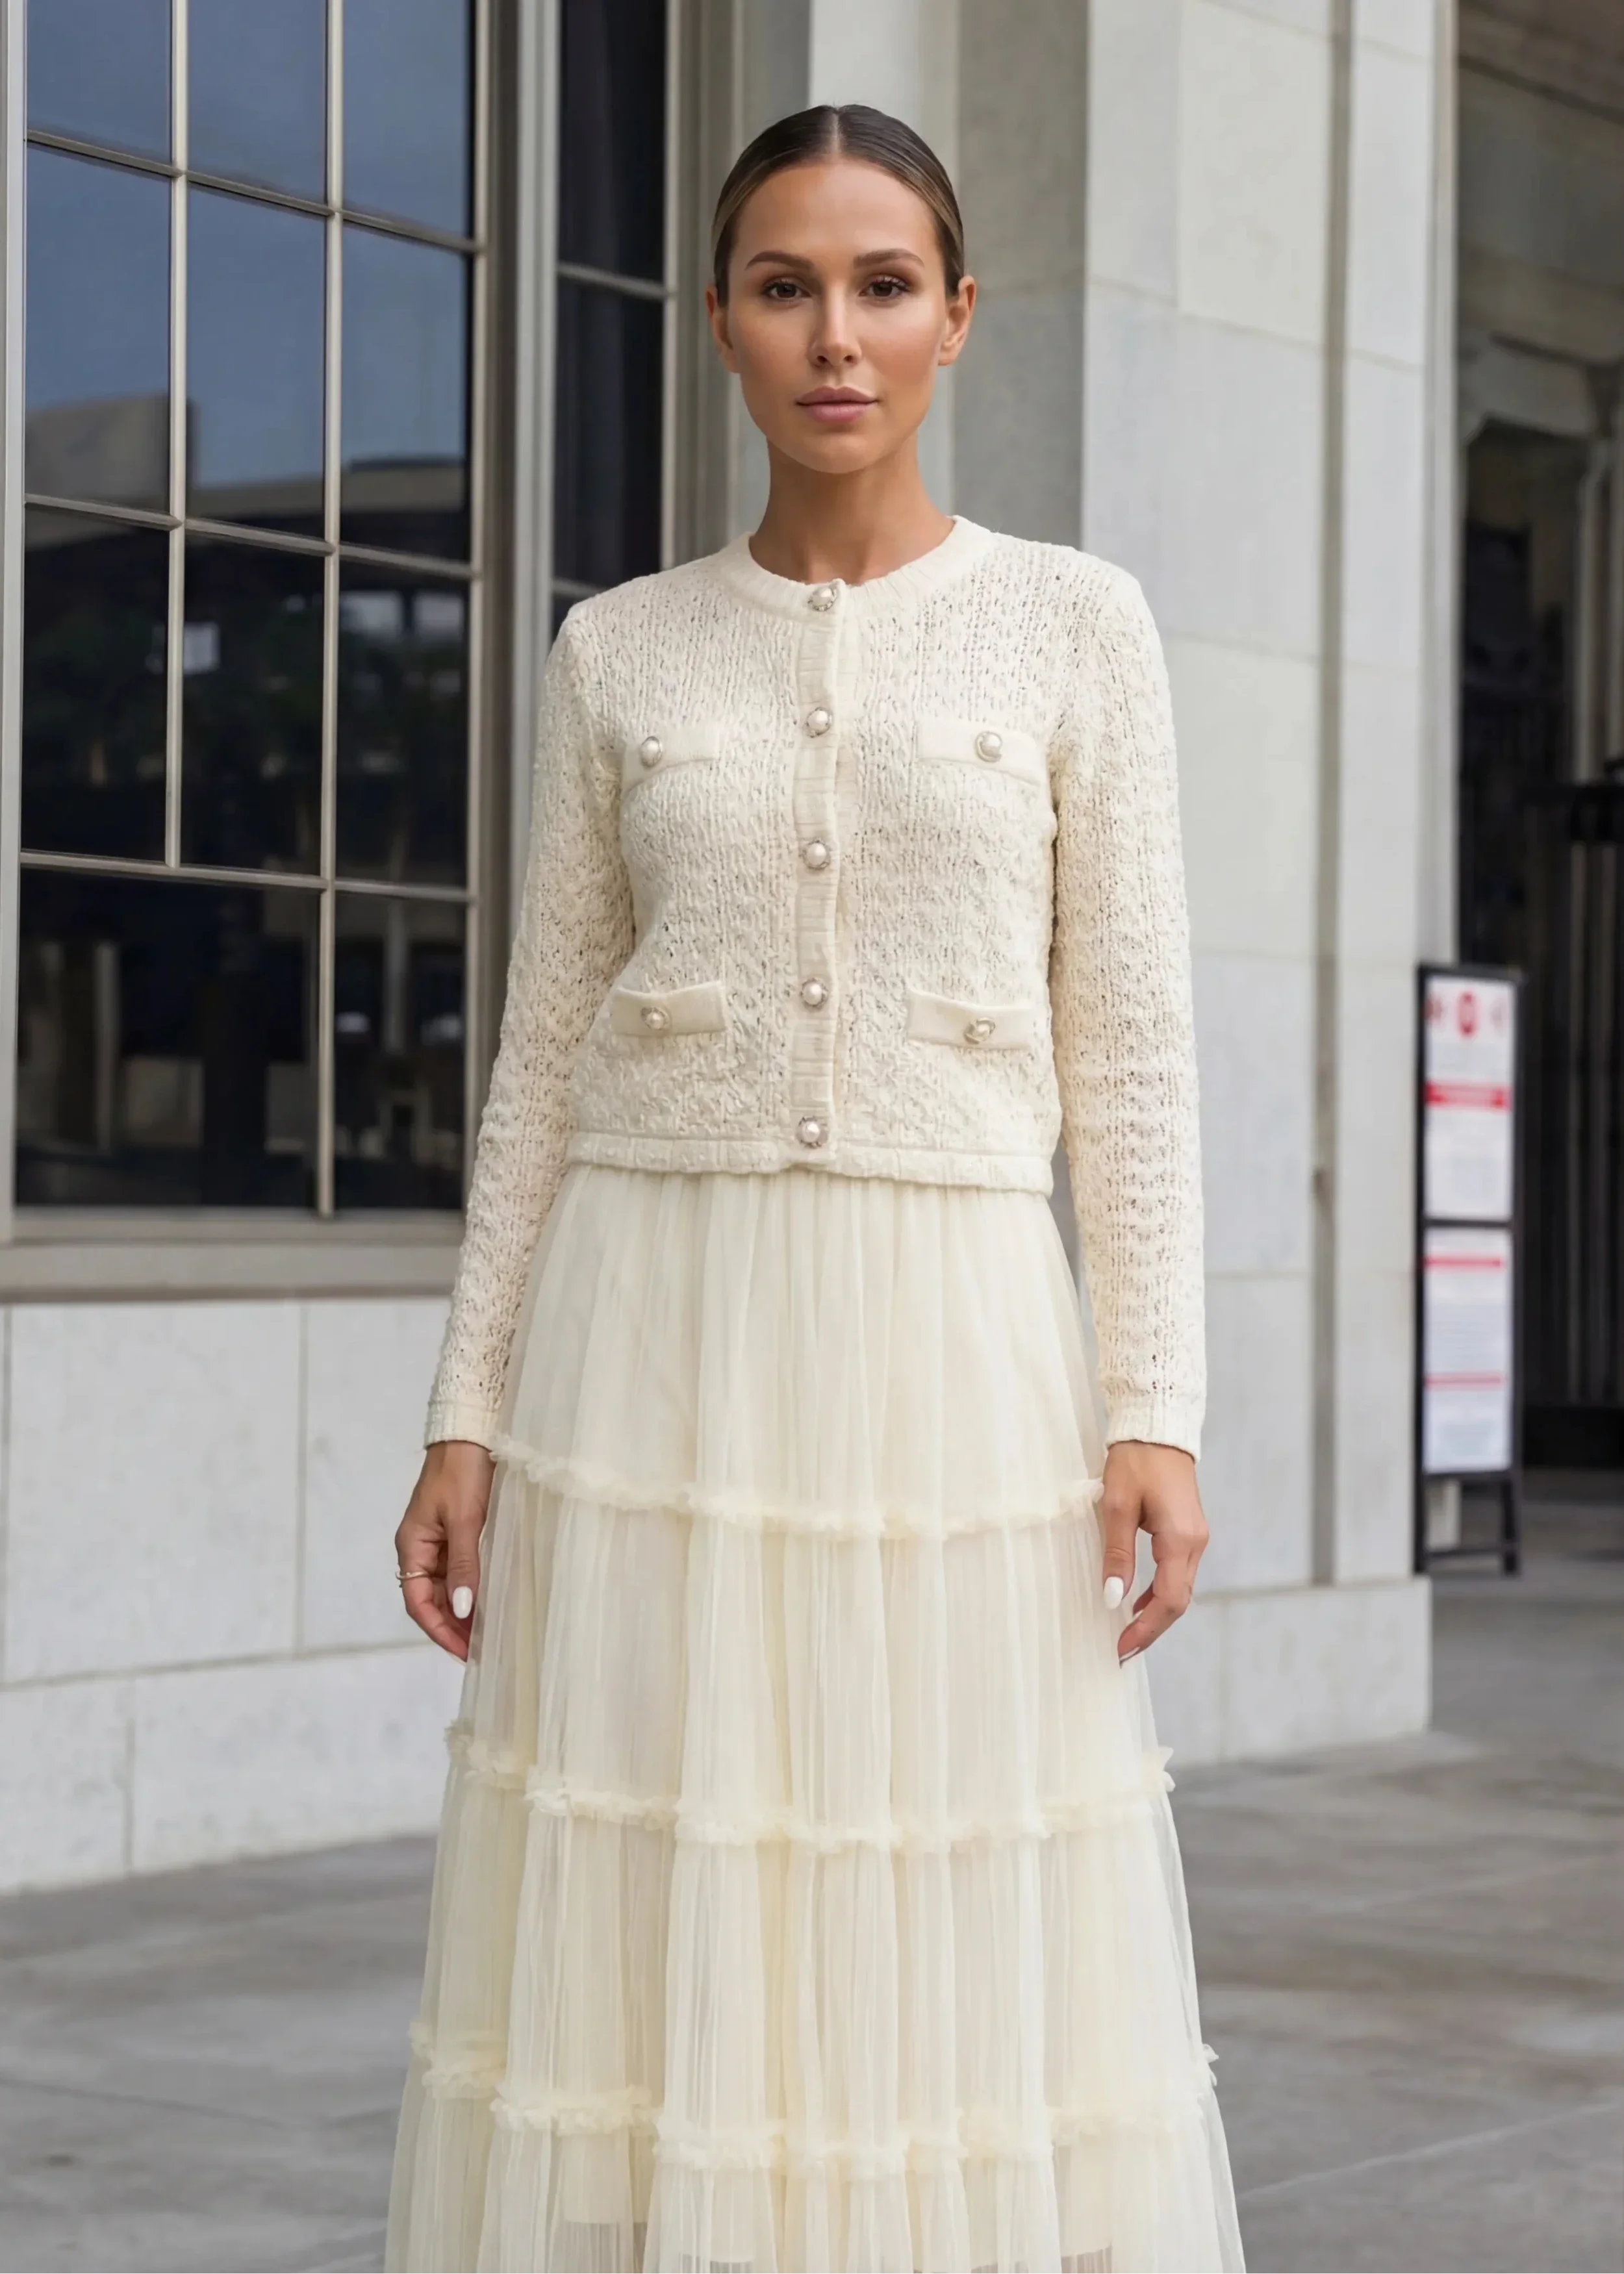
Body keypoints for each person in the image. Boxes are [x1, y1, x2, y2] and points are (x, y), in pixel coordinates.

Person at [384, 100, 1246, 2274]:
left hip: (951, 1335)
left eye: (880, 286)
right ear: (719, 325)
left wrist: (1157, 1401)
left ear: (956, 319)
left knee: (928, 1862)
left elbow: (1131, 1044)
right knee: (670, 1869)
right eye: (785, 285)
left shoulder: (1076, 627)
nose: (832, 335)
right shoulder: (618, 650)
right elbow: (547, 1055)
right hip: (649, 1331)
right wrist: (463, 1403)